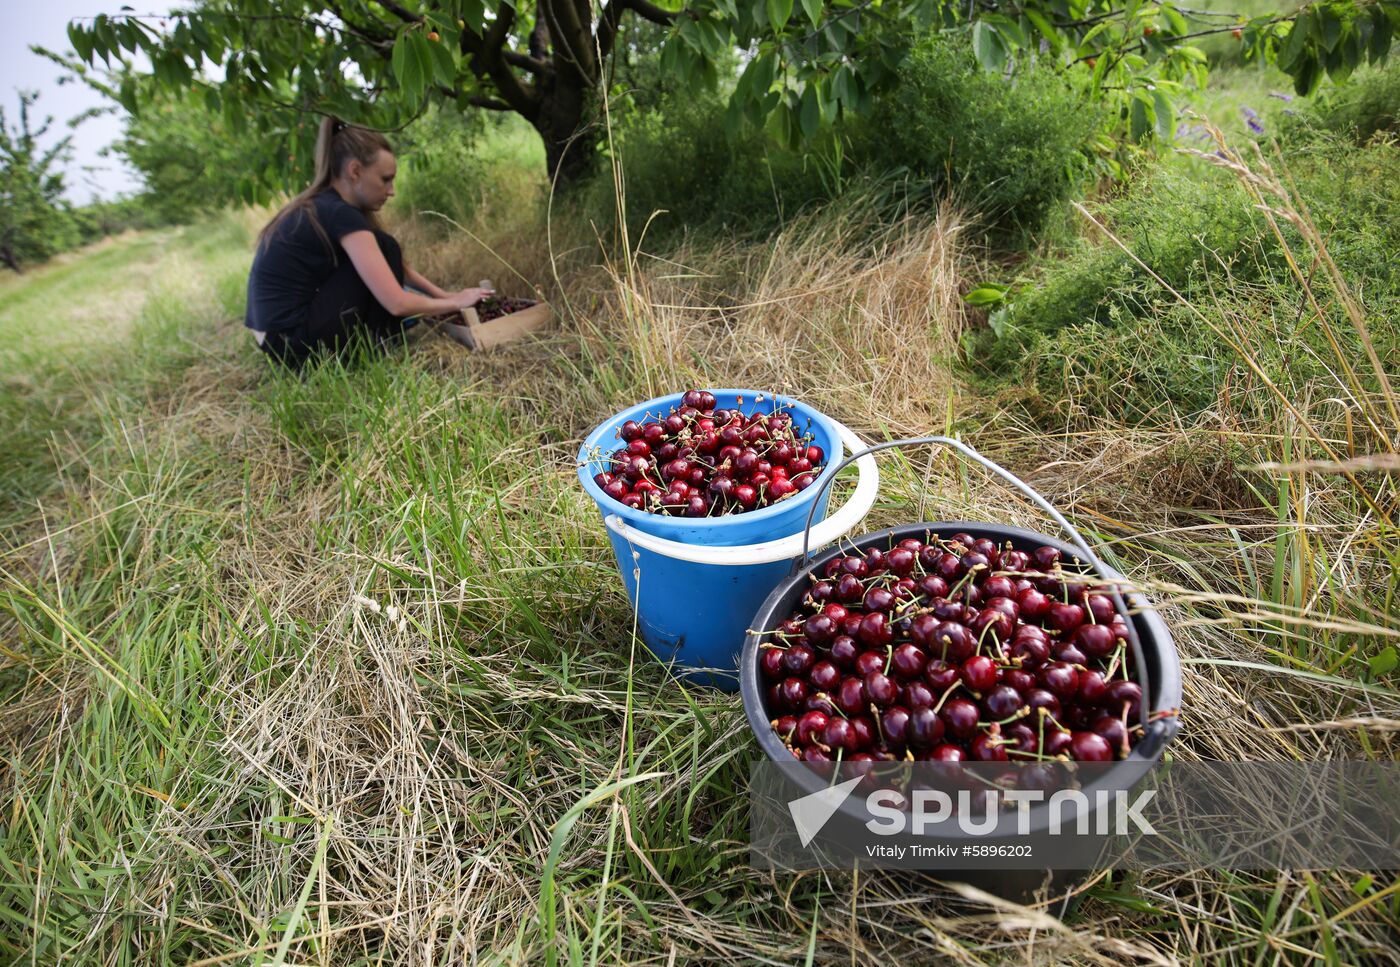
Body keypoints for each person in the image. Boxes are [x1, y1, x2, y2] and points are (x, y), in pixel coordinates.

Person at [244, 117, 493, 367]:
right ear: (355, 171)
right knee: (386, 248)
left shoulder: (325, 204)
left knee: (384, 246)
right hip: (291, 342)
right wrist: (454, 303)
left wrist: (445, 296)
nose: (391, 190)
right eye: (385, 179)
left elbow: (397, 269)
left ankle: (373, 338)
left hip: (277, 339)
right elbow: (397, 302)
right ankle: (377, 344)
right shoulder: (340, 213)